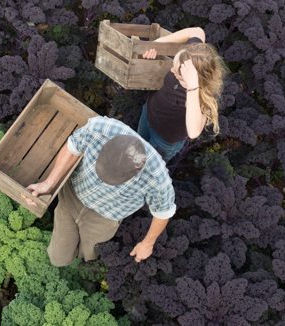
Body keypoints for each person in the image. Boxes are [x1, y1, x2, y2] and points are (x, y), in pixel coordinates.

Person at [25, 116, 176, 266]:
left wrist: (147, 243)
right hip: (72, 196)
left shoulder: (157, 177)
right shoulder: (101, 128)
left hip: (104, 218)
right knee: (58, 259)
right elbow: (72, 148)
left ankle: (85, 260)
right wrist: (48, 183)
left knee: (89, 253)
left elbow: (163, 212)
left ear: (136, 173)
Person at [137, 27, 228, 162]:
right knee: (133, 150)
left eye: (178, 74)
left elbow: (193, 132)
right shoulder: (190, 56)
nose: (172, 70)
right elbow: (198, 31)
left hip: (163, 140)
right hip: (149, 115)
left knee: (140, 169)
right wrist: (158, 44)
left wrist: (192, 87)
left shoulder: (202, 95)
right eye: (175, 64)